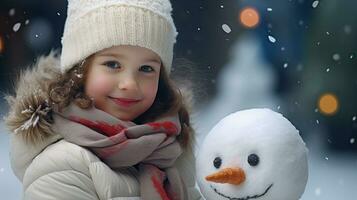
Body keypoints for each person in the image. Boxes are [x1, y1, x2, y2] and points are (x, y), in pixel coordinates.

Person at [4, 0, 202, 199]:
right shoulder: (62, 164)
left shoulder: (171, 150)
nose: (130, 84)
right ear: (80, 70)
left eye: (146, 69)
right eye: (113, 64)